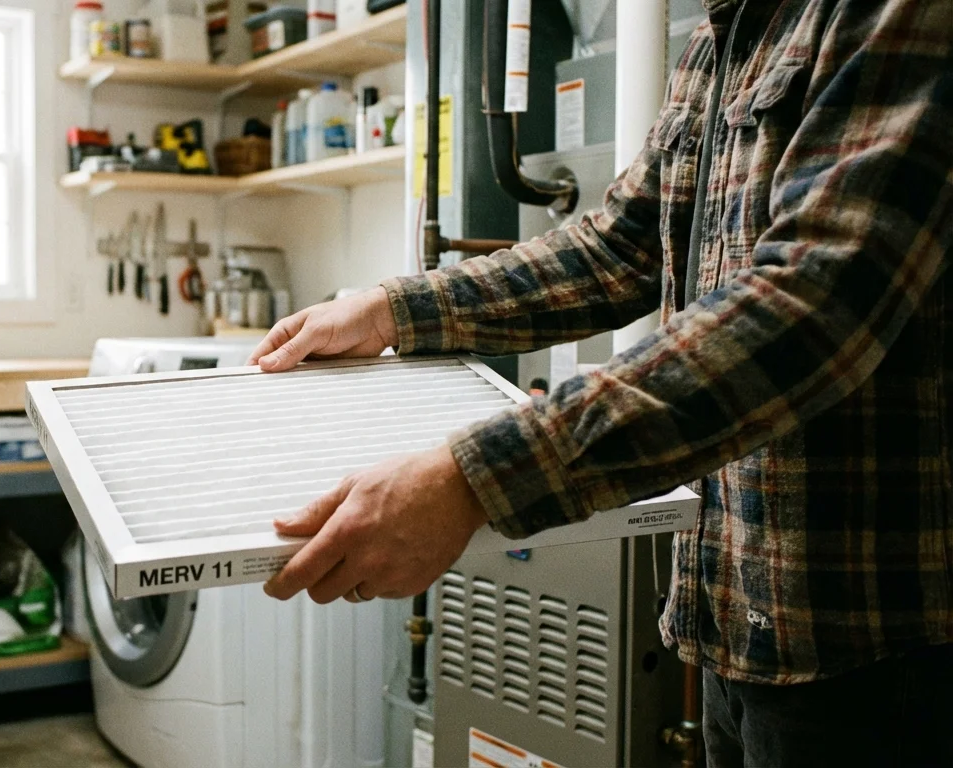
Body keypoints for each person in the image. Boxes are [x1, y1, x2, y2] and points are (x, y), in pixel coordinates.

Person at [249, 0, 953, 765]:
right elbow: (620, 245)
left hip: (886, 649)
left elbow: (814, 305)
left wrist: (470, 481)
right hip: (744, 620)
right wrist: (393, 309)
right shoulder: (729, 33)